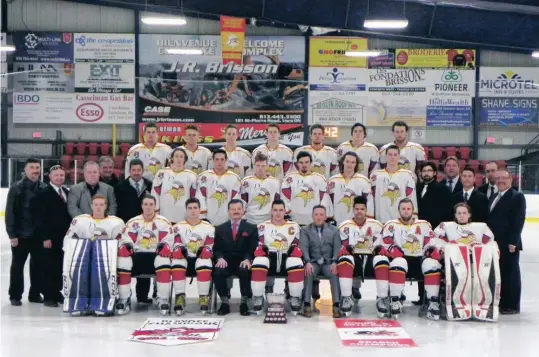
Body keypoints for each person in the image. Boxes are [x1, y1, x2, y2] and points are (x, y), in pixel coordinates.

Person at [422, 203, 500, 322]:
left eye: (464, 213)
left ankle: (482, 304)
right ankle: (443, 302)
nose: (462, 215)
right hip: (453, 262)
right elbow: (436, 242)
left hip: (475, 262)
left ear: (469, 214)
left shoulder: (481, 227)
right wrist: (447, 247)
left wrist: (479, 246)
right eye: (459, 213)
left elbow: (490, 244)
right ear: (455, 215)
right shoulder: (445, 226)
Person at [62, 194, 125, 316]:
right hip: (82, 258)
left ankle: (104, 301)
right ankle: (77, 301)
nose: (98, 207)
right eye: (96, 204)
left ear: (106, 206)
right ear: (91, 205)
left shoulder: (116, 222)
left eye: (101, 205)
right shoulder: (80, 221)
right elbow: (68, 239)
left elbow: (122, 240)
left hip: (105, 259)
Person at [372, 198, 434, 318]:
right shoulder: (391, 225)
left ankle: (433, 301)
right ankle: (395, 299)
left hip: (418, 260)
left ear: (413, 210)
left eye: (408, 209)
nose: (406, 211)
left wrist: (431, 252)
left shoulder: (424, 225)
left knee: (432, 265)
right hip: (399, 259)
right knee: (397, 262)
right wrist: (390, 250)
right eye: (403, 209)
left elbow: (431, 243)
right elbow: (380, 245)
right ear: (399, 211)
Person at [116, 195, 172, 315]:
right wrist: (125, 246)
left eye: (151, 204)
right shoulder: (132, 222)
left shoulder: (163, 222)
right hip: (137, 256)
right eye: (145, 204)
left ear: (155, 206)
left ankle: (162, 298)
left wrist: (166, 245)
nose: (148, 207)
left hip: (155, 255)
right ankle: (124, 298)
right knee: (123, 261)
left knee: (164, 260)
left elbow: (169, 238)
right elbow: (125, 239)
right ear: (141, 206)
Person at [5, 158, 47, 306]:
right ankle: (15, 295)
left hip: (37, 236)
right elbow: (10, 213)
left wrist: (44, 235)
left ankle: (34, 294)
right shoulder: (16, 188)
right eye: (32, 167)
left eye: (37, 167)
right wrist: (12, 234)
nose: (35, 170)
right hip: (20, 235)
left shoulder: (43, 187)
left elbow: (45, 214)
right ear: (26, 170)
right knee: (17, 267)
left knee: (37, 267)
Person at [251, 199, 304, 315]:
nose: (278, 213)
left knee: (295, 261)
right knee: (259, 260)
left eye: (281, 210)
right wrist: (259, 250)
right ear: (271, 211)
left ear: (285, 211)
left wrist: (296, 250)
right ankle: (258, 297)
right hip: (270, 259)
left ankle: (294, 297)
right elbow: (259, 244)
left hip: (286, 259)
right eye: (275, 210)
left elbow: (297, 244)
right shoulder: (262, 226)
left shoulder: (294, 226)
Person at [164, 198, 215, 314]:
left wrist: (207, 249)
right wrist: (177, 249)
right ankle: (180, 297)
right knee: (177, 261)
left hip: (200, 259)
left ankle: (203, 297)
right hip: (184, 259)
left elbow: (210, 245)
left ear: (200, 210)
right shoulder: (177, 226)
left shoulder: (209, 227)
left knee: (204, 261)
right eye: (190, 208)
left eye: (195, 208)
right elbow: (176, 242)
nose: (192, 211)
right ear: (186, 210)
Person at [114, 158, 154, 304]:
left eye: (139, 170)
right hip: (127, 228)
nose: (136, 173)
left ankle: (143, 295)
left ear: (143, 171)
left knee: (145, 255)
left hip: (146, 226)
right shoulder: (120, 187)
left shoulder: (150, 185)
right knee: (127, 260)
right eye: (133, 170)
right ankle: (125, 294)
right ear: (129, 171)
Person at [336, 196, 383, 317]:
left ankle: (383, 297)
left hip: (370, 259)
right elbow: (341, 246)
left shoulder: (376, 225)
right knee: (345, 260)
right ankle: (346, 297)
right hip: (354, 260)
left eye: (362, 209)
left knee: (382, 260)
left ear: (366, 210)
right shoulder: (344, 226)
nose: (359, 211)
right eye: (357, 209)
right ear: (353, 210)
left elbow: (381, 244)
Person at [487, 169, 526, 315]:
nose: (500, 181)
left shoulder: (517, 196)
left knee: (510, 274)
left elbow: (518, 220)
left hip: (509, 243)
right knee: (500, 273)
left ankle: (512, 305)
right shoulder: (495, 196)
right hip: (495, 242)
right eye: (498, 178)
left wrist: (513, 242)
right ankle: (502, 302)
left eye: (504, 178)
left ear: (511, 180)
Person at [414, 161, 453, 305]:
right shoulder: (416, 188)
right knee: (419, 258)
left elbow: (448, 211)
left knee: (433, 262)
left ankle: (433, 296)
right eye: (424, 171)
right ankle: (421, 296)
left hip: (435, 232)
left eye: (430, 171)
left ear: (435, 173)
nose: (426, 173)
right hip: (419, 231)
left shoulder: (443, 189)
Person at [34, 165, 71, 307]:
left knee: (59, 266)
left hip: (62, 238)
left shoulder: (66, 192)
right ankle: (49, 295)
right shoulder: (43, 193)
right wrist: (45, 237)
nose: (59, 178)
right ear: (50, 177)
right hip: (49, 238)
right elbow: (39, 217)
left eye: (62, 175)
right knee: (48, 266)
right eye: (56, 175)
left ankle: (56, 291)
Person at [213, 199, 258, 316]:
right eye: (233, 209)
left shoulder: (251, 228)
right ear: (228, 211)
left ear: (243, 211)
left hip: (242, 260)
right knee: (218, 271)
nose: (236, 211)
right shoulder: (220, 228)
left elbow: (253, 248)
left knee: (245, 270)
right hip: (226, 261)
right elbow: (216, 248)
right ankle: (224, 303)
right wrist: (219, 258)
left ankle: (244, 302)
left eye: (239, 209)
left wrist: (248, 259)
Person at [300, 205, 341, 318]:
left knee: (334, 273)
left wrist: (334, 262)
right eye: (316, 214)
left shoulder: (334, 230)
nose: (318, 217)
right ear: (312, 216)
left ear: (325, 216)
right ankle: (307, 304)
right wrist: (307, 261)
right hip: (313, 262)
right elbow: (304, 247)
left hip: (328, 262)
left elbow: (337, 247)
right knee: (309, 271)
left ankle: (336, 304)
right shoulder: (305, 230)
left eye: (321, 215)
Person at [370, 145, 417, 223]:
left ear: (399, 157)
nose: (392, 157)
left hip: (401, 221)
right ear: (386, 156)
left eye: (395, 155)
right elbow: (371, 199)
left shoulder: (407, 175)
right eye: (390, 154)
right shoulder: (375, 175)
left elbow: (412, 198)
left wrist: (414, 217)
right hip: (381, 219)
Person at [325, 152, 374, 225]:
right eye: (347, 161)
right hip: (337, 222)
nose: (349, 164)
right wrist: (329, 220)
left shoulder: (364, 181)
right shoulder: (332, 181)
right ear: (343, 162)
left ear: (356, 164)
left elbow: (369, 203)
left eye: (353, 162)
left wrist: (368, 222)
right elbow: (327, 202)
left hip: (356, 224)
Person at [151, 147, 197, 224]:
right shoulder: (161, 173)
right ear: (172, 158)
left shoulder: (192, 176)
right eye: (176, 156)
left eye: (181, 157)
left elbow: (193, 197)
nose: (179, 159)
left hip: (183, 216)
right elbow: (155, 193)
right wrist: (156, 210)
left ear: (185, 159)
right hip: (164, 214)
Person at [196, 149, 242, 225]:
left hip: (227, 219)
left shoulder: (234, 178)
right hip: (208, 218)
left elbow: (236, 199)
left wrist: (233, 215)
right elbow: (200, 196)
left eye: (222, 159)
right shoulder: (204, 176)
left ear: (226, 160)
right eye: (217, 159)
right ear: (213, 161)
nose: (219, 162)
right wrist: (203, 215)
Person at [281, 151, 327, 226]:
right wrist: (288, 211)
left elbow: (324, 199)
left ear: (311, 163)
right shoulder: (289, 178)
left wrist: (320, 215)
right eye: (301, 162)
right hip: (294, 219)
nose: (304, 165)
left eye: (306, 162)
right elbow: (284, 197)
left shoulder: (320, 178)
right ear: (297, 164)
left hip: (313, 220)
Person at [241, 152, 281, 224]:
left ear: (267, 166)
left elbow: (276, 202)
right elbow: (243, 202)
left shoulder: (275, 182)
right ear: (254, 166)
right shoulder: (246, 181)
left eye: (263, 166)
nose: (260, 168)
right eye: (258, 165)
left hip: (268, 219)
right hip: (250, 219)